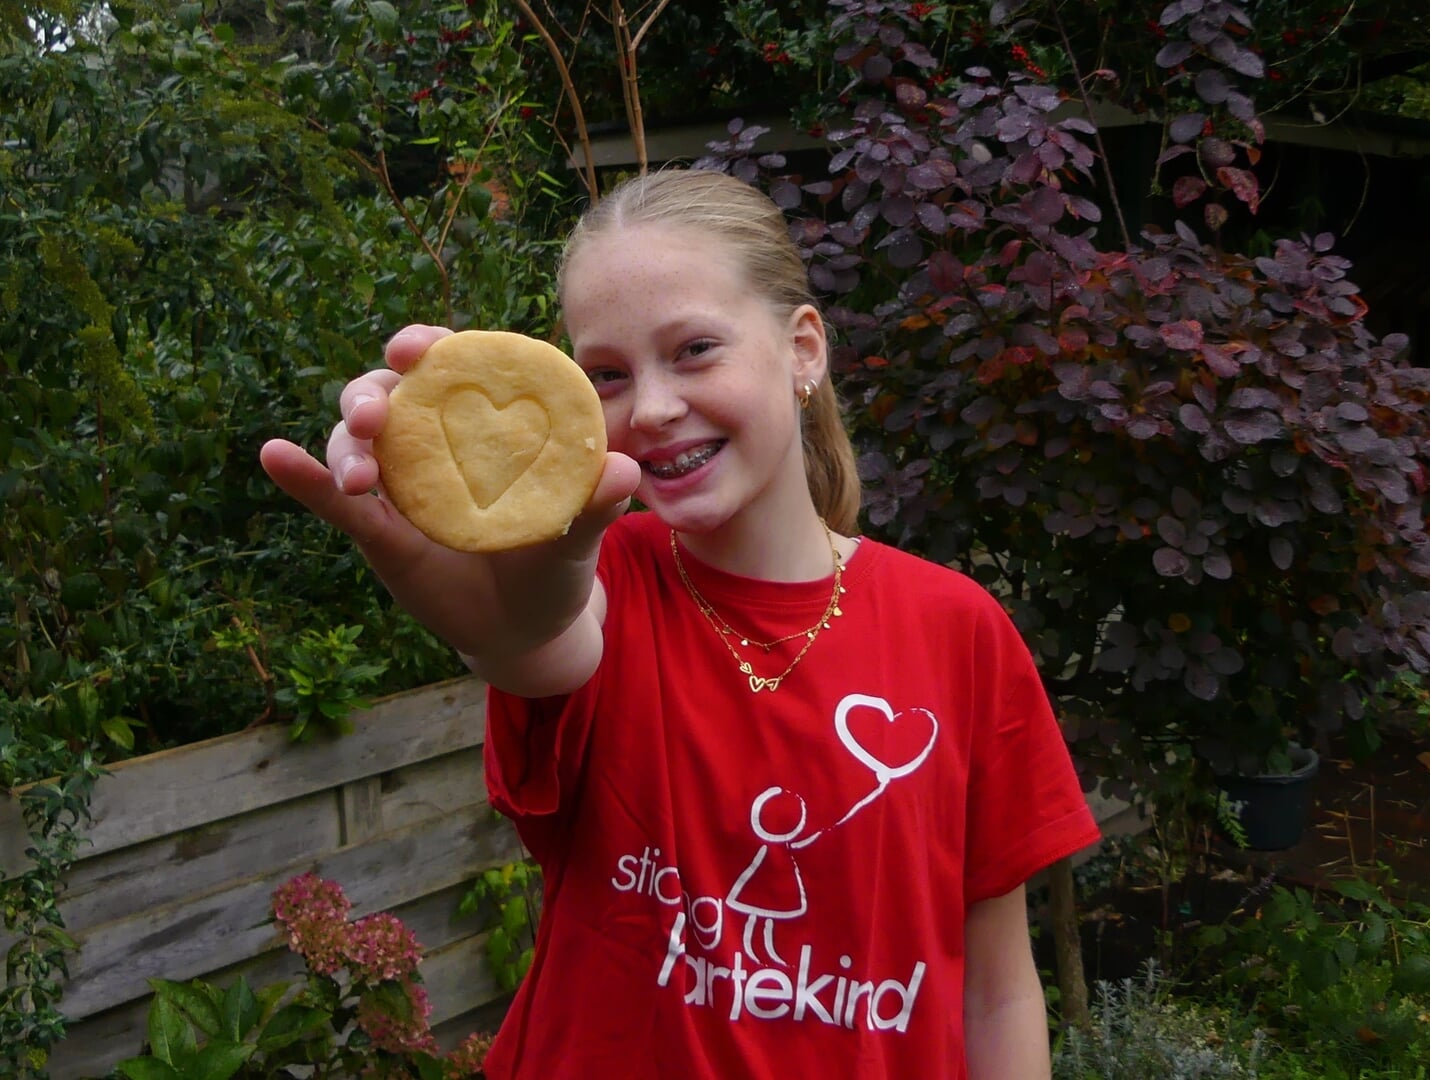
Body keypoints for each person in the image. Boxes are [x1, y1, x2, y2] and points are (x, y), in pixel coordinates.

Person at [259, 167, 1100, 1078]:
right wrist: (501, 618)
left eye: (694, 349)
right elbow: (541, 641)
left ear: (803, 349)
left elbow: (997, 991)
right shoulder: (601, 582)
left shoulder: (958, 630)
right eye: (607, 374)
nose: (653, 409)